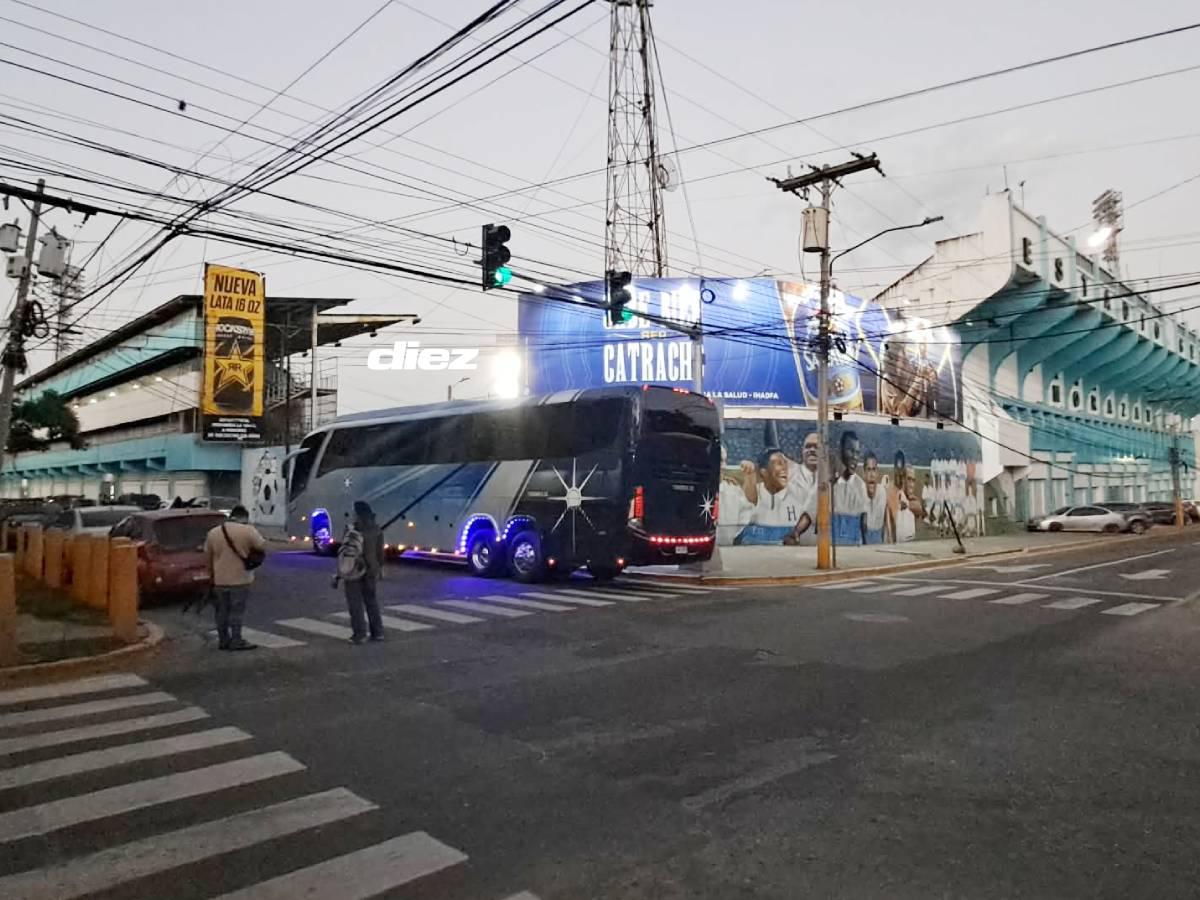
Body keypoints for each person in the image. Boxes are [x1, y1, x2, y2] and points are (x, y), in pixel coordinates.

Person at [204, 504, 266, 651]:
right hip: (240, 579)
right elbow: (262, 546)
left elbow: (207, 557)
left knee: (221, 612)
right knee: (236, 612)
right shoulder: (248, 530)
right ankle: (236, 640)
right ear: (244, 517)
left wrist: (211, 577)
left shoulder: (213, 532)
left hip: (220, 580)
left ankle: (223, 641)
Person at [333, 500, 385, 644]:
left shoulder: (351, 530)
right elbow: (380, 553)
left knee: (355, 603)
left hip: (354, 569)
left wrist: (338, 573)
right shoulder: (376, 529)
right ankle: (378, 632)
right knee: (371, 602)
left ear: (357, 514)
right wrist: (379, 569)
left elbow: (344, 552)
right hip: (371, 570)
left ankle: (360, 634)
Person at [832, 431, 867, 545]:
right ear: (840, 450)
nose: (855, 457)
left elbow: (863, 520)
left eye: (857, 453)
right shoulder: (829, 484)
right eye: (851, 451)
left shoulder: (860, 485)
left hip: (853, 549)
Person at [863, 452, 888, 544]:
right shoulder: (858, 494)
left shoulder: (883, 493)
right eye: (868, 470)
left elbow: (886, 527)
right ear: (864, 473)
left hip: (879, 543)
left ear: (877, 473)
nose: (871, 474)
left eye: (874, 470)